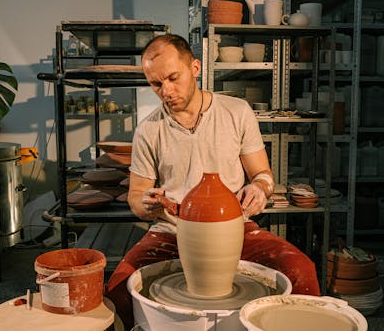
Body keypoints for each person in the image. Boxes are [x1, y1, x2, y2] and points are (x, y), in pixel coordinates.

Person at [105, 33, 320, 328]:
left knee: (300, 269)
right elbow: (136, 197)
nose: (166, 91)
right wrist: (146, 205)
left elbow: (263, 175)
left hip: (234, 229)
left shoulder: (236, 111)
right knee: (118, 287)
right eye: (156, 84)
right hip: (171, 231)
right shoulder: (148, 130)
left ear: (195, 68)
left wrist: (259, 188)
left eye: (172, 78)